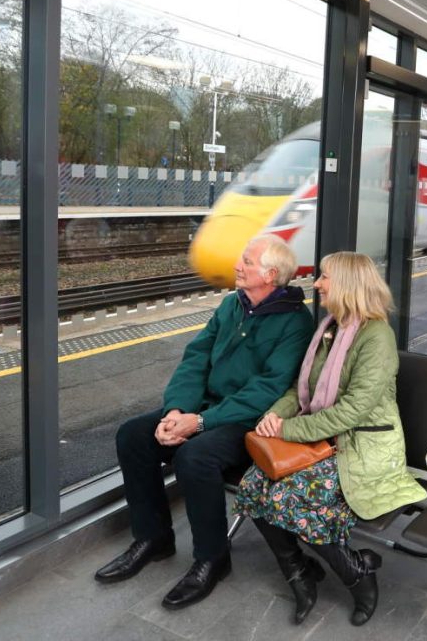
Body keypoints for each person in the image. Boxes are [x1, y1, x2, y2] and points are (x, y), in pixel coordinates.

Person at [94, 234, 314, 607]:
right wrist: (177, 411)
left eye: (246, 261)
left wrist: (199, 423)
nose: (237, 266)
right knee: (133, 435)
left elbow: (267, 390)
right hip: (203, 408)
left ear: (271, 274)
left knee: (195, 457)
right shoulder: (232, 305)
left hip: (247, 421)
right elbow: (196, 358)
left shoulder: (295, 322)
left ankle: (212, 559)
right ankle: (154, 539)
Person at [233, 252, 426, 627]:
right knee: (254, 484)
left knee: (289, 495)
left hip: (363, 449)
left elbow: (352, 412)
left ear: (349, 285)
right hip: (324, 442)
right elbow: (300, 389)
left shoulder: (377, 338)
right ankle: (300, 574)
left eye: (324, 277)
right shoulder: (329, 329)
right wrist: (275, 415)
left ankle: (357, 575)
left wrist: (286, 431)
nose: (317, 284)